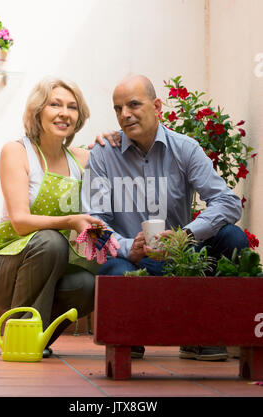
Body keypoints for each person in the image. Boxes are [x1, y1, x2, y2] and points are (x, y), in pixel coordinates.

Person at [82, 74, 249, 361]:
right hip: (131, 262)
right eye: (118, 108)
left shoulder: (184, 148)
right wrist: (125, 248)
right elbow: (92, 226)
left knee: (232, 237)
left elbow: (228, 202)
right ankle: (129, 336)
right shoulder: (103, 155)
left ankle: (202, 334)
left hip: (183, 258)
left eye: (133, 104)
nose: (125, 114)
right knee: (115, 272)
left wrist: (186, 236)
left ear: (157, 106)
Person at [0, 77, 117, 357]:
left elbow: (121, 160)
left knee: (87, 285)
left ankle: (38, 340)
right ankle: (19, 337)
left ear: (79, 116)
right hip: (0, 269)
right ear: (38, 111)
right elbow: (21, 221)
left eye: (72, 107)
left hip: (48, 267)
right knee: (51, 242)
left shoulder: (81, 159)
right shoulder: (17, 151)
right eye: (55, 104)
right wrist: (70, 221)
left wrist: (113, 140)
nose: (64, 112)